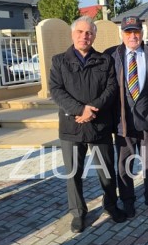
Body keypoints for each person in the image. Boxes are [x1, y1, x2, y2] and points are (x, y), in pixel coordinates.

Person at [49, 16, 127, 232]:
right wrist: (79, 110)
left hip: (99, 124)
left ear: (94, 35)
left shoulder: (104, 60)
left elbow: (111, 88)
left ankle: (111, 205)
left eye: (89, 33)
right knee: (73, 173)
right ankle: (78, 213)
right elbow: (56, 91)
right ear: (73, 34)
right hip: (71, 126)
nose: (85, 36)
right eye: (80, 32)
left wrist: (92, 109)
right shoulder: (59, 61)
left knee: (106, 170)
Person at [106, 16, 148, 217]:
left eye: (136, 31)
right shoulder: (111, 55)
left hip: (147, 120)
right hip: (123, 121)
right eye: (128, 32)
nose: (133, 35)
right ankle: (128, 200)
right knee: (124, 164)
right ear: (122, 34)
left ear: (142, 32)